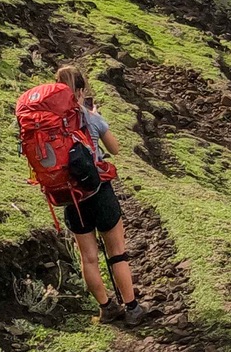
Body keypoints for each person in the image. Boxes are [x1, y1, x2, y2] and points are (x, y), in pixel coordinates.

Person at [47, 66, 152, 327]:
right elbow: (115, 149)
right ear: (81, 91)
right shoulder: (88, 118)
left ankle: (106, 308)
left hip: (70, 197)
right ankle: (132, 308)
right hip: (98, 191)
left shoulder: (47, 121)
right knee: (117, 252)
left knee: (88, 257)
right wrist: (96, 118)